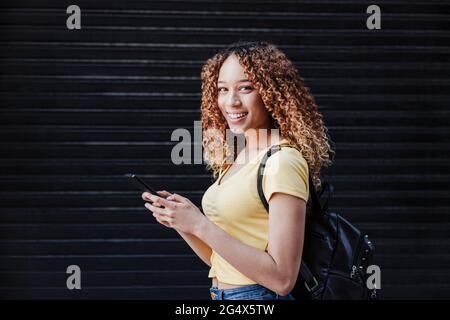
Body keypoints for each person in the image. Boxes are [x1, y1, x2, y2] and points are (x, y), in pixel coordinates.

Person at [142, 41, 334, 300]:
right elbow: (221, 260)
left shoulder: (283, 162)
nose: (231, 101)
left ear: (271, 92)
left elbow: (282, 278)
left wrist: (199, 224)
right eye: (222, 89)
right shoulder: (239, 158)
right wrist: (183, 222)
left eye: (246, 88)